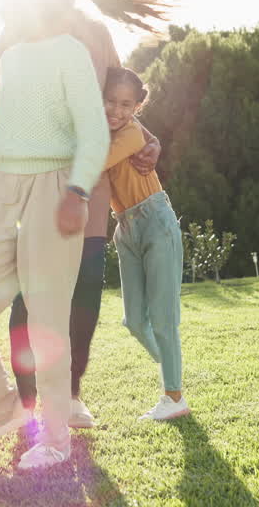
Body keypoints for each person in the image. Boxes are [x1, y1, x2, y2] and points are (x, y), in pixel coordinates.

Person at [0, 0, 176, 428]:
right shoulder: (19, 25)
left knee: (83, 290)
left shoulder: (96, 33)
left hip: (88, 184)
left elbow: (120, 102)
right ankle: (24, 403)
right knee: (29, 291)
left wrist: (152, 140)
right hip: (31, 180)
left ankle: (74, 394)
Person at [0, 0, 110, 470]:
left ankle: (55, 438)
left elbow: (93, 132)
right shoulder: (11, 58)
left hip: (54, 190)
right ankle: (1, 403)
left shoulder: (71, 52)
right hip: (1, 187)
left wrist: (77, 192)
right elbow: (9, 139)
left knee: (45, 319)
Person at [102, 67, 189, 420]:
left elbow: (94, 163)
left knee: (163, 320)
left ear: (138, 106)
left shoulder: (133, 133)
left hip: (156, 222)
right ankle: (171, 363)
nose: (116, 111)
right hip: (125, 228)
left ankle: (174, 396)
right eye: (110, 101)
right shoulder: (105, 131)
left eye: (126, 104)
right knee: (134, 322)